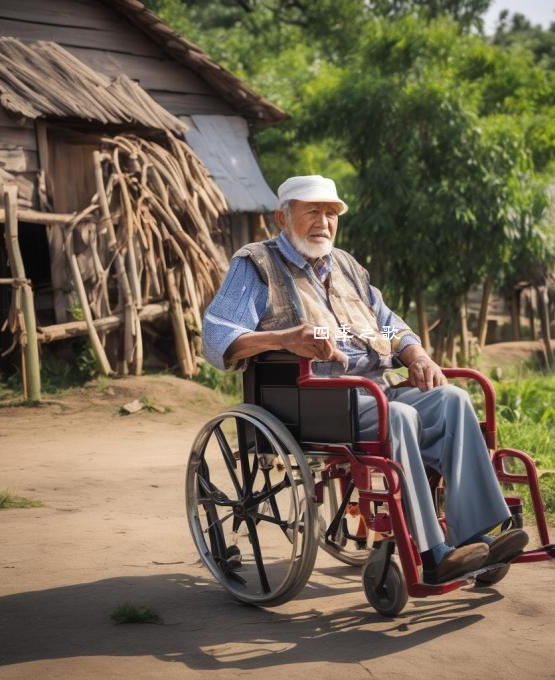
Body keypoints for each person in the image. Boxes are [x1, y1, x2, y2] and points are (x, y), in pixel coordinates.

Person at [202, 175, 528, 583]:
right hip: (315, 400)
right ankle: (433, 554)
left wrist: (417, 354)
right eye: (313, 212)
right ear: (282, 217)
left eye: (331, 213)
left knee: (454, 400)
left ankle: (475, 539)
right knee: (401, 418)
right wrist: (287, 338)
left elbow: (388, 326)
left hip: (375, 391)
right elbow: (217, 337)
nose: (324, 222)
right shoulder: (255, 264)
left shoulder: (347, 267)